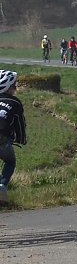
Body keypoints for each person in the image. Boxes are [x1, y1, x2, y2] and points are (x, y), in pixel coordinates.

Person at [0, 70, 26, 203]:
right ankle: (2, 186)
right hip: (3, 140)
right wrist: (21, 139)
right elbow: (20, 125)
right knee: (10, 162)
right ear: (9, 87)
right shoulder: (15, 102)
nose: (15, 89)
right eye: (14, 86)